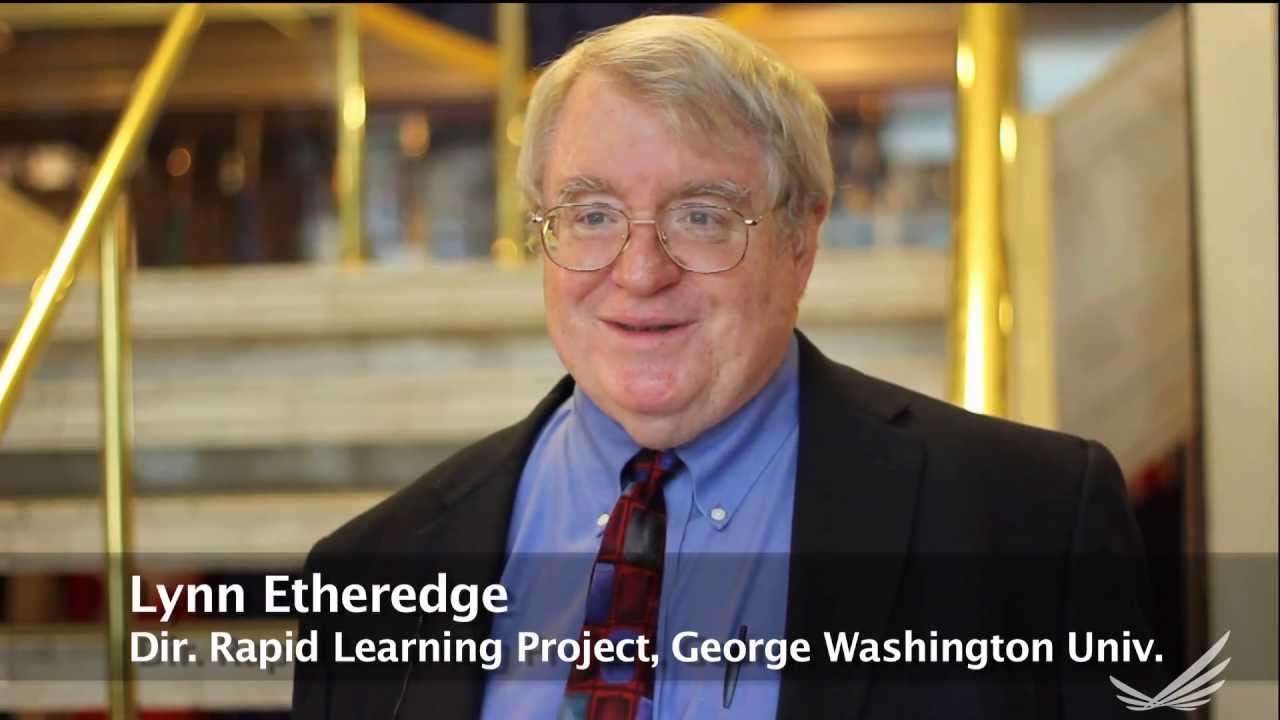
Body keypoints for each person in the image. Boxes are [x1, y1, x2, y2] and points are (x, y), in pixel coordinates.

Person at [293, 15, 1157, 720]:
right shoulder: (370, 570)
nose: (640, 273)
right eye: (592, 215)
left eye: (702, 216)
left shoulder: (1035, 522)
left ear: (802, 239)